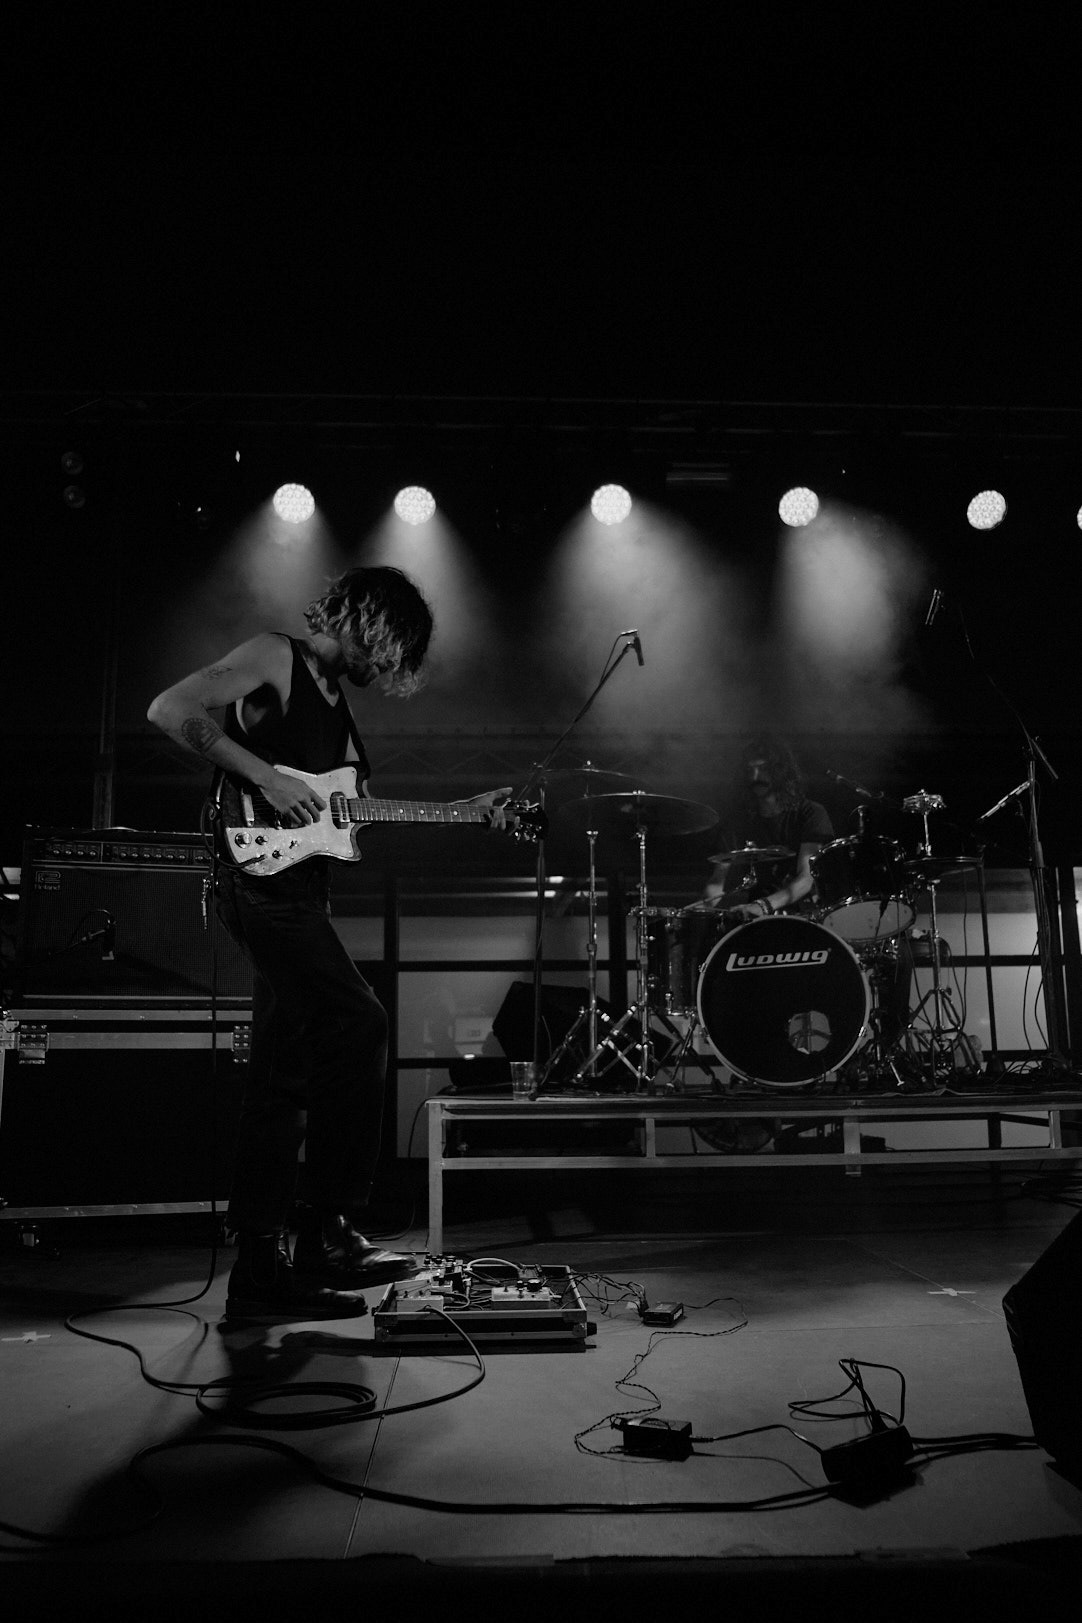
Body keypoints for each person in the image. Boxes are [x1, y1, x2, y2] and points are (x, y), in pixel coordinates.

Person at [148, 565, 511, 1319]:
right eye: (393, 650)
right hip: (256, 880)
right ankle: (327, 1229)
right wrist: (267, 779)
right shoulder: (274, 654)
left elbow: (354, 815)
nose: (390, 670)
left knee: (281, 1074)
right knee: (359, 1020)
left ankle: (261, 1267)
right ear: (372, 623)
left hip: (300, 893)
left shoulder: (340, 711)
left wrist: (465, 811)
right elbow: (169, 707)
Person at [704, 735, 834, 919]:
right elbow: (718, 881)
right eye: (750, 770)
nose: (755, 777)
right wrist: (705, 909)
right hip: (755, 916)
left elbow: (806, 879)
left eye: (763, 769)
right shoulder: (739, 821)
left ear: (781, 771)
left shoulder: (811, 813)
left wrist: (762, 906)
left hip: (802, 914)